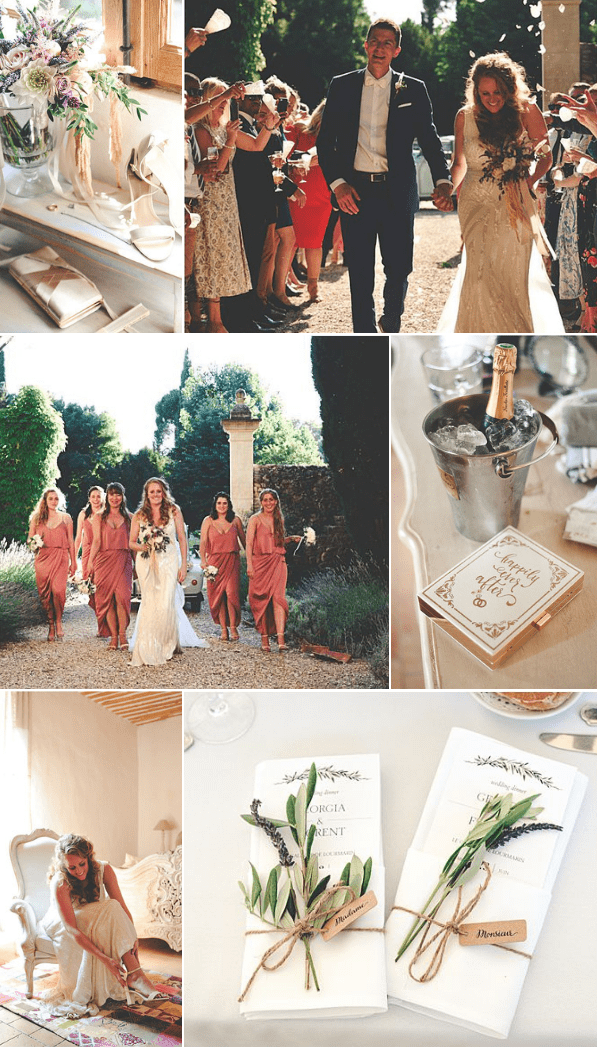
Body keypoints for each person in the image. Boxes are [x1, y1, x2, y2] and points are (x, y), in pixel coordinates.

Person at [317, 17, 452, 333]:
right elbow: (326, 142)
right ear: (366, 45)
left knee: (399, 267)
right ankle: (363, 332)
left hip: (397, 191)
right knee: (360, 270)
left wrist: (443, 180)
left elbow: (430, 139)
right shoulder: (343, 85)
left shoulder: (414, 89)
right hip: (356, 192)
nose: (379, 48)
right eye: (375, 41)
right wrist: (338, 185)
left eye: (387, 43)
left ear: (396, 50)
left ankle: (392, 319)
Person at [438, 52, 565, 333]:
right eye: (485, 93)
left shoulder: (527, 111)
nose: (492, 98)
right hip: (474, 202)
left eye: (498, 92)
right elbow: (459, 163)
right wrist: (447, 188)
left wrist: (525, 182)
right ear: (475, 91)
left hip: (514, 204)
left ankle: (514, 337)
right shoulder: (464, 117)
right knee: (479, 274)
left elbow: (546, 158)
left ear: (509, 89)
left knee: (510, 277)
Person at [40, 834, 166, 1017]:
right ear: (64, 866)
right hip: (67, 923)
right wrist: (106, 960)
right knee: (110, 909)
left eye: (82, 864)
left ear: (89, 857)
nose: (78, 871)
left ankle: (135, 974)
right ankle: (136, 974)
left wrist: (132, 936)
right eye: (72, 867)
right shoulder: (61, 881)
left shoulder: (104, 869)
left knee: (113, 907)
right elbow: (71, 929)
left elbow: (122, 907)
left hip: (96, 917)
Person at [129, 477, 208, 665]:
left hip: (169, 561)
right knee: (150, 603)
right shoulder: (139, 514)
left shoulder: (174, 510)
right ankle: (148, 645)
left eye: (159, 491)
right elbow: (131, 542)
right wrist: (146, 546)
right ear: (146, 495)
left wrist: (183, 565)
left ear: (164, 492)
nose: (156, 495)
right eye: (152, 492)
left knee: (166, 602)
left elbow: (182, 538)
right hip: (146, 562)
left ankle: (167, 644)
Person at [288, 100, 333, 302]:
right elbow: (283, 156)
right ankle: (281, 286)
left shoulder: (336, 139)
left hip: (322, 196)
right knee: (290, 242)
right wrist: (302, 162)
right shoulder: (300, 130)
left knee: (315, 243)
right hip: (298, 194)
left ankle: (313, 287)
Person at [246, 488, 300, 653]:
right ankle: (264, 638)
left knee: (278, 599)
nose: (268, 503)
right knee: (261, 600)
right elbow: (248, 544)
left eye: (271, 499)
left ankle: (281, 639)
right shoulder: (255, 519)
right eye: (265, 500)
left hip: (278, 562)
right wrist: (249, 565)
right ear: (261, 502)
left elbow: (276, 541)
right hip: (260, 563)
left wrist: (289, 539)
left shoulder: (279, 519)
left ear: (276, 501)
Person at [87, 483, 133, 651]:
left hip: (123, 560)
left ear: (122, 496)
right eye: (112, 494)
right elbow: (96, 542)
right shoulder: (98, 517)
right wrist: (90, 563)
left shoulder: (130, 517)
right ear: (107, 496)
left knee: (122, 598)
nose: (115, 498)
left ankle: (123, 634)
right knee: (107, 600)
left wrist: (138, 566)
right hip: (104, 561)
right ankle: (114, 637)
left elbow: (133, 543)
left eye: (118, 494)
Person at [28, 487, 76, 642]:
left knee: (58, 591)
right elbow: (30, 539)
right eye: (51, 499)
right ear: (45, 500)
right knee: (45, 594)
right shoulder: (36, 518)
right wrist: (34, 543)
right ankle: (51, 624)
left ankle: (59, 621)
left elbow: (71, 542)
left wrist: (74, 562)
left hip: (61, 557)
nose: (54, 501)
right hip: (43, 559)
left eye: (56, 498)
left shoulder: (66, 518)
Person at [199, 492, 246, 642]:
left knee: (231, 594)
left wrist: (254, 559)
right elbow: (203, 543)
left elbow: (245, 543)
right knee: (218, 596)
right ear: (215, 505)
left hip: (232, 561)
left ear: (229, 505)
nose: (222, 506)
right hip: (214, 562)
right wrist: (203, 561)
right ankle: (223, 629)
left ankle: (233, 627)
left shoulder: (236, 521)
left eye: (224, 503)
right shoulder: (208, 521)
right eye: (219, 503)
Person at [74, 485, 105, 635]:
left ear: (103, 497)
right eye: (93, 496)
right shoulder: (83, 514)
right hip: (87, 554)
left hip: (102, 553)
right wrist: (74, 558)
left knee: (103, 588)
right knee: (91, 589)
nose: (96, 499)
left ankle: (104, 626)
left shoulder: (106, 513)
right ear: (89, 498)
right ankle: (100, 621)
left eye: (98, 496)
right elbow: (78, 537)